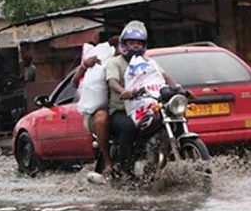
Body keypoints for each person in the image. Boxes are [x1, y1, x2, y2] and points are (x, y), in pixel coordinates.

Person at [105, 21, 175, 170]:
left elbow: (164, 76)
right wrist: (123, 91)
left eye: (139, 43)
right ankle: (126, 170)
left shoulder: (149, 62)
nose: (136, 46)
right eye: (132, 42)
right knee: (128, 128)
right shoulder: (115, 63)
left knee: (169, 118)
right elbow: (112, 81)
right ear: (124, 44)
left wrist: (177, 88)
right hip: (121, 110)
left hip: (147, 106)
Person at [73, 36, 119, 176]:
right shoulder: (97, 61)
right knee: (101, 117)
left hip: (123, 109)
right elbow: (74, 82)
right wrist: (84, 66)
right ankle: (108, 161)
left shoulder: (134, 62)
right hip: (98, 113)